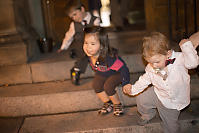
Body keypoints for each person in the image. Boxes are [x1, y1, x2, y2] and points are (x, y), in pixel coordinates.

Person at [123, 32, 199, 133]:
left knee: (170, 125)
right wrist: (132, 89)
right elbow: (144, 80)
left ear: (168, 54)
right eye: (150, 62)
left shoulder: (180, 59)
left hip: (173, 101)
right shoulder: (151, 67)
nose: (154, 65)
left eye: (157, 62)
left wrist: (186, 46)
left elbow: (193, 64)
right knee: (142, 98)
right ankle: (147, 114)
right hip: (159, 92)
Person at [83, 26, 130, 116]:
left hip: (118, 73)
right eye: (86, 43)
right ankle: (108, 102)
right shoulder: (90, 55)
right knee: (96, 85)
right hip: (104, 73)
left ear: (101, 46)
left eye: (92, 44)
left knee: (108, 86)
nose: (88, 47)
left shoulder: (109, 58)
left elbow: (124, 69)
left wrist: (126, 82)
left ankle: (117, 104)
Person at [57, 0, 100, 85]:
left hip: (93, 44)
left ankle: (102, 72)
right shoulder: (74, 25)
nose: (74, 18)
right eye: (72, 17)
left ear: (82, 9)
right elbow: (68, 36)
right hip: (80, 46)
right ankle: (76, 70)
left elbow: (98, 34)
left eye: (75, 14)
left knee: (97, 55)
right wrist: (63, 47)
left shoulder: (95, 20)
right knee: (83, 56)